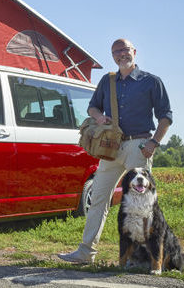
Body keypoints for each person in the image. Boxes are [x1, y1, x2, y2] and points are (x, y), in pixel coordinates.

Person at [58, 38, 172, 264]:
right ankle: (86, 252)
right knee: (98, 197)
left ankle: (141, 258)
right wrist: (99, 117)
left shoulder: (151, 81)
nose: (121, 54)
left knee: (140, 203)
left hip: (138, 145)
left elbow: (166, 117)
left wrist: (154, 143)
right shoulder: (107, 81)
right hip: (110, 148)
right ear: (112, 56)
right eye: (116, 51)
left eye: (125, 50)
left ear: (134, 52)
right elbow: (92, 107)